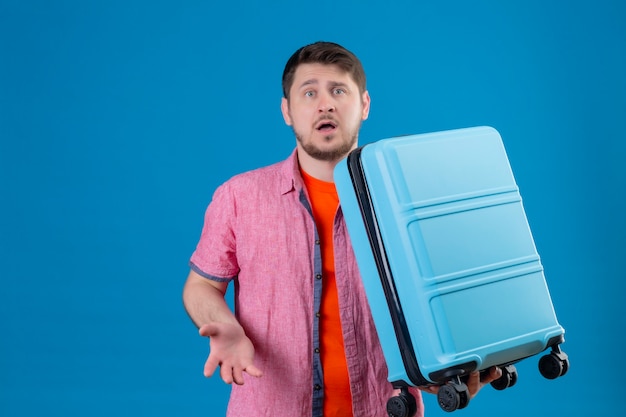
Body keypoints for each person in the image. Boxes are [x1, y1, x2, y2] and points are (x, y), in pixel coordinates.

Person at [182, 41, 502, 417]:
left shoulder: (407, 200)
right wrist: (223, 325)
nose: (325, 104)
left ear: (364, 104)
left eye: (338, 91)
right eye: (309, 92)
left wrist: (445, 369)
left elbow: (442, 298)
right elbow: (202, 285)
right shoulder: (239, 197)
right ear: (287, 111)